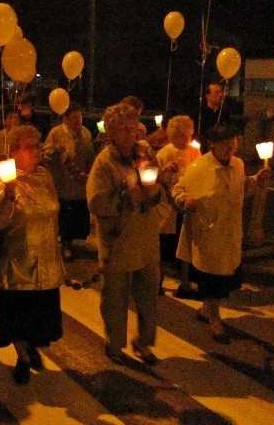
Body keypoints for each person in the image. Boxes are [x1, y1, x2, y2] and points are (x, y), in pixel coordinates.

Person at [172, 123, 270, 344]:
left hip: (230, 231)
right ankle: (214, 318)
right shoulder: (198, 167)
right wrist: (184, 200)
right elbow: (179, 189)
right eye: (225, 144)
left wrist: (256, 181)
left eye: (233, 143)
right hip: (208, 231)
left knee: (225, 276)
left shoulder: (238, 164)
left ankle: (207, 308)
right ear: (213, 145)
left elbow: (241, 190)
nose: (230, 148)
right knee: (211, 277)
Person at [86, 103, 165, 365]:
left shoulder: (144, 153)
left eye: (133, 128)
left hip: (145, 237)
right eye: (124, 129)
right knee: (115, 296)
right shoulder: (104, 164)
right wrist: (124, 196)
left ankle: (143, 341)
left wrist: (153, 192)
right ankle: (115, 342)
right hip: (119, 240)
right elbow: (96, 204)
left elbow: (156, 186)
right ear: (111, 133)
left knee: (148, 293)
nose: (132, 134)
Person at [0, 125, 65, 384]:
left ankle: (30, 346)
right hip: (17, 262)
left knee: (38, 319)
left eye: (37, 144)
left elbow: (54, 211)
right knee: (17, 318)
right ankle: (22, 356)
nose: (36, 150)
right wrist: (8, 195)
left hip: (45, 260)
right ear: (14, 151)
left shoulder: (46, 176)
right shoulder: (1, 178)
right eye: (29, 146)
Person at [155, 115, 201, 296]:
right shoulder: (164, 154)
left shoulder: (194, 152)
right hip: (168, 208)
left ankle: (185, 282)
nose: (187, 138)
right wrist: (166, 172)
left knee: (185, 246)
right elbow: (156, 180)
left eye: (189, 134)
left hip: (186, 205)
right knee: (166, 247)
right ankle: (158, 282)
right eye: (183, 135)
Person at [43, 103, 95, 260]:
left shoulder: (85, 133)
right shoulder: (56, 133)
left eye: (80, 117)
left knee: (79, 214)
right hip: (63, 182)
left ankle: (74, 240)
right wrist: (56, 151)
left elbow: (90, 153)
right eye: (74, 117)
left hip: (80, 181)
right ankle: (65, 244)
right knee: (66, 214)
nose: (78, 120)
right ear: (65, 119)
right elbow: (45, 155)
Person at [198, 83, 230, 153]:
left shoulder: (224, 114)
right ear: (207, 96)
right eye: (216, 92)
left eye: (221, 92)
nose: (220, 95)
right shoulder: (200, 114)